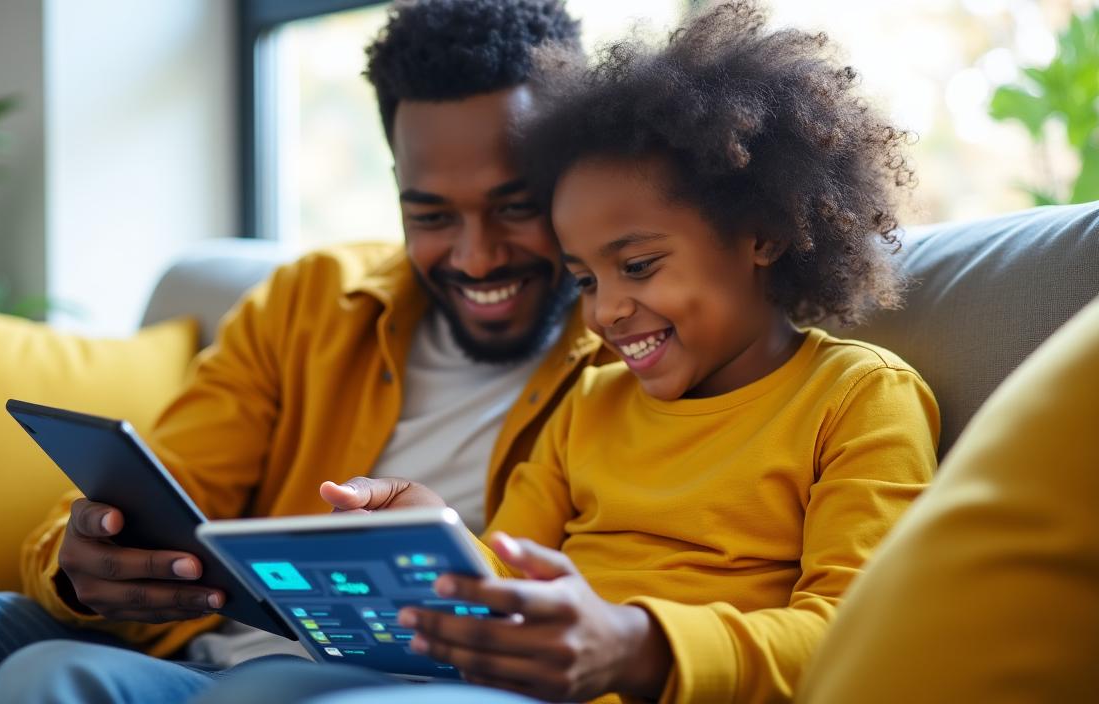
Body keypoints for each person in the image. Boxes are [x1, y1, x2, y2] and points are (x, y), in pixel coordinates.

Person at [0, 2, 605, 703]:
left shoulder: (639, 349)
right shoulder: (312, 300)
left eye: (515, 207)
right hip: (182, 659)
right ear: (398, 187)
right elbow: (170, 483)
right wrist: (85, 564)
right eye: (431, 215)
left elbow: (633, 626)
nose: (474, 257)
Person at [169, 2, 942, 702]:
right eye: (583, 277)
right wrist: (439, 534)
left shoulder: (856, 400)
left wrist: (639, 648)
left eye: (637, 267)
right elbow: (506, 578)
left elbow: (858, 637)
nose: (604, 311)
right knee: (264, 683)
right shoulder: (592, 405)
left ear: (764, 234)